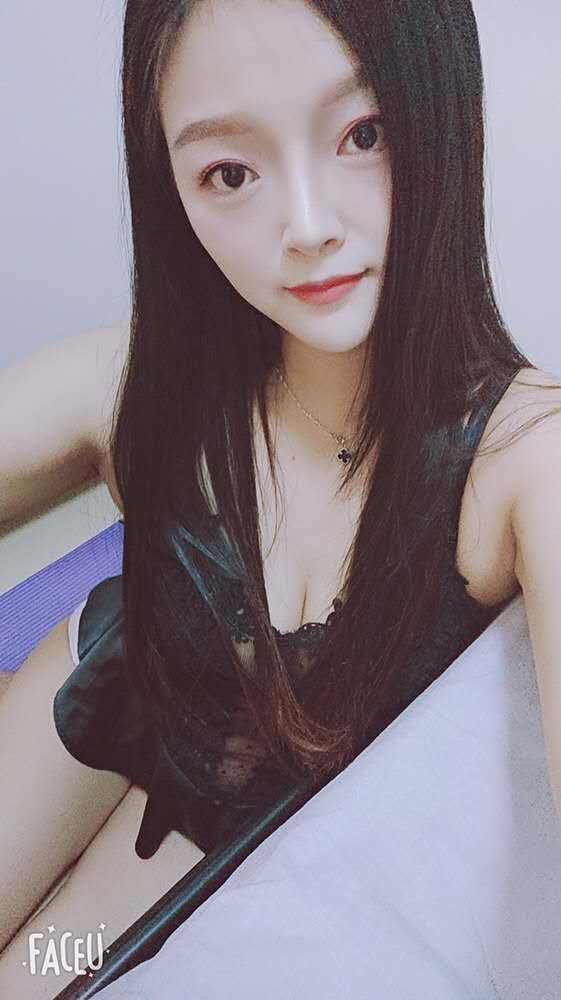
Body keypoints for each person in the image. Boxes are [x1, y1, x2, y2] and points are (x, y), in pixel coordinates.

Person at [1, 0, 561, 991]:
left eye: (364, 132)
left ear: (446, 111)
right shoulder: (145, 389)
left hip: (173, 880)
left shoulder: (527, 456)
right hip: (75, 725)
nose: (306, 227)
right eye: (230, 173)